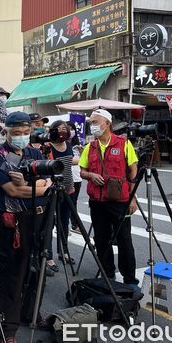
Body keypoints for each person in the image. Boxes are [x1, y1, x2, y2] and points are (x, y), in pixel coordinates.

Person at [0, 111, 52, 343]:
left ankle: (30, 314)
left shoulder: (35, 152)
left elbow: (50, 181)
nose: (22, 137)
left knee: (39, 271)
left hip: (40, 219)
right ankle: (7, 329)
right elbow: (12, 193)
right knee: (13, 276)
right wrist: (38, 187)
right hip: (13, 224)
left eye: (26, 133)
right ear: (6, 131)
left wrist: (28, 185)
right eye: (17, 133)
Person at [79, 109, 139, 286]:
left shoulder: (124, 144)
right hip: (97, 202)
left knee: (124, 239)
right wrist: (90, 175)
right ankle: (108, 274)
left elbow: (133, 173)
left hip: (120, 201)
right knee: (101, 239)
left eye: (95, 122)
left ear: (107, 124)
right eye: (91, 123)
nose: (93, 126)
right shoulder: (90, 147)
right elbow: (82, 170)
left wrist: (133, 199)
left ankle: (129, 279)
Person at [43, 121, 79, 273]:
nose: (64, 132)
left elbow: (71, 162)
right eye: (61, 129)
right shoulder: (48, 147)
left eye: (66, 129)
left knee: (64, 223)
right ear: (53, 131)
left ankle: (63, 252)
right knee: (49, 224)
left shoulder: (69, 145)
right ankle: (48, 257)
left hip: (68, 188)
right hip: (52, 190)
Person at [70, 127, 84, 234]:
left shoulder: (77, 145)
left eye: (71, 129)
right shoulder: (61, 144)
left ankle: (73, 225)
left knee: (73, 202)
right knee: (68, 203)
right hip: (67, 176)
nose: (70, 131)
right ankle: (74, 224)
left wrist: (82, 152)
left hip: (77, 177)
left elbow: (84, 160)